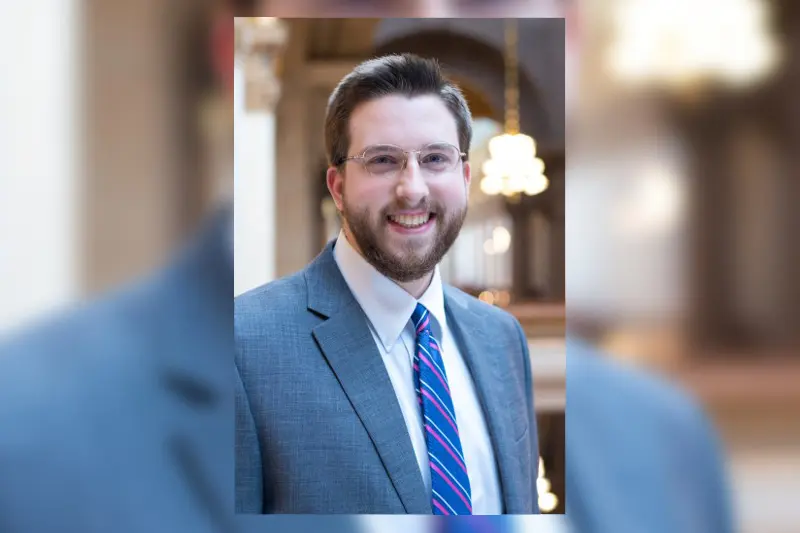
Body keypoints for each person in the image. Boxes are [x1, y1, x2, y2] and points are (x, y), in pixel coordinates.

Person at [235, 54, 540, 515]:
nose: (412, 189)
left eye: (435, 158)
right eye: (383, 161)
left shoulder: (502, 338)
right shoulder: (243, 345)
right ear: (337, 187)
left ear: (464, 176)